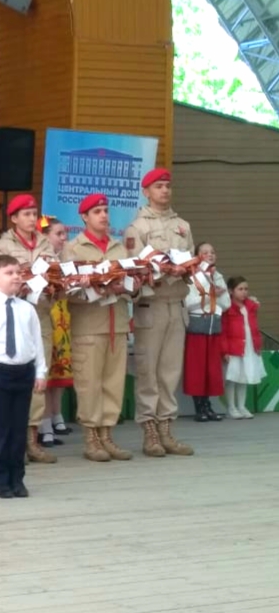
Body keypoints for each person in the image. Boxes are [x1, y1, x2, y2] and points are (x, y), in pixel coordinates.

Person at [123, 168, 194, 457]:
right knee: (148, 371)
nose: (165, 190)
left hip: (176, 304)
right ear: (146, 191)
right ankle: (149, 430)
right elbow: (133, 268)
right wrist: (160, 271)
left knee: (170, 371)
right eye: (158, 186)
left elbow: (190, 259)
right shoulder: (137, 228)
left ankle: (167, 428)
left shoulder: (183, 226)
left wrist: (190, 269)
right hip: (150, 306)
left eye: (167, 186)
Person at [63, 194, 135, 462]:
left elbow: (131, 283)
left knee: (113, 383)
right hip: (89, 325)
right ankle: (91, 438)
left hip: (117, 323)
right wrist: (98, 288)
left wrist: (129, 287)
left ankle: (107, 435)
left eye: (106, 210)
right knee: (89, 383)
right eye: (97, 212)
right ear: (84, 217)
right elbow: (67, 291)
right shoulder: (73, 249)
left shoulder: (118, 248)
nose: (104, 216)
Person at [0, 254, 48, 499]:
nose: (16, 276)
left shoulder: (27, 309)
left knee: (18, 428)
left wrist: (40, 371)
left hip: (22, 372)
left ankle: (17, 478)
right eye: (9, 273)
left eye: (18, 272)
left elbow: (37, 341)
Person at [0, 195, 58, 464]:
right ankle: (12, 441)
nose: (32, 218)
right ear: (14, 218)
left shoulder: (46, 243)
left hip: (39, 314)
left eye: (34, 213)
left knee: (38, 377)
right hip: (11, 318)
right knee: (13, 381)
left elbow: (57, 276)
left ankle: (32, 439)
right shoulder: (2, 247)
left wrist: (52, 285)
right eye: (26, 214)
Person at [183, 243, 229, 422]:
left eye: (212, 251)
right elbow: (188, 302)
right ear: (197, 256)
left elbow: (226, 304)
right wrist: (210, 294)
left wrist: (215, 293)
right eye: (205, 252)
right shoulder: (191, 277)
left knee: (211, 370)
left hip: (213, 327)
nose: (210, 255)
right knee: (197, 370)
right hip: (197, 328)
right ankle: (199, 407)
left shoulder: (217, 276)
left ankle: (208, 406)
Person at [41, 216, 73, 443]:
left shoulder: (69, 257)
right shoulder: (41, 260)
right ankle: (43, 423)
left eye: (65, 234)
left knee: (61, 365)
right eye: (58, 234)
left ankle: (56, 413)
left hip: (65, 313)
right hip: (47, 311)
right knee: (44, 367)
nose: (63, 239)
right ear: (46, 236)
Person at [222, 277, 264, 420]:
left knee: (243, 377)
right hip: (234, 347)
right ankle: (231, 407)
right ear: (230, 291)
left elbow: (254, 327)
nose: (244, 292)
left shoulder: (251, 307)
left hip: (248, 346)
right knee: (232, 378)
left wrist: (257, 344)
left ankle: (242, 406)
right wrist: (225, 350)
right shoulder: (227, 308)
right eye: (240, 289)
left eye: (246, 289)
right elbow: (224, 331)